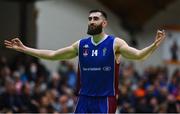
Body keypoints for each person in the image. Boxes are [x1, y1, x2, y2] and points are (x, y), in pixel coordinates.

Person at [4, 9, 166, 113]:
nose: (91, 21)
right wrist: (24, 49)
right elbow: (53, 55)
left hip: (105, 99)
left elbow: (138, 55)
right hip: (84, 99)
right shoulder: (81, 45)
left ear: (104, 23)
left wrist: (154, 45)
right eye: (89, 19)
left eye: (95, 18)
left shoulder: (115, 43)